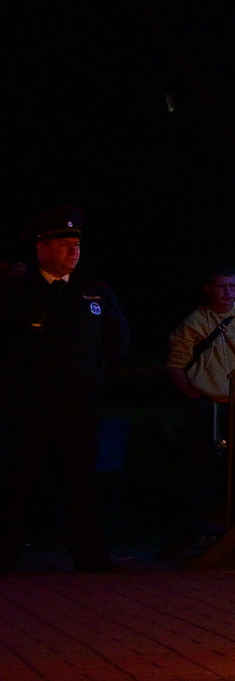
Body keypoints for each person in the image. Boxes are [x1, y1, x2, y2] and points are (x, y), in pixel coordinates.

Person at [0, 208, 132, 572]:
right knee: (18, 482)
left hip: (79, 406)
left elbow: (119, 339)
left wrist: (96, 375)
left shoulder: (95, 293)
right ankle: (6, 554)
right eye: (63, 245)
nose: (73, 252)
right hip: (29, 408)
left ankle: (89, 555)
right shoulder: (16, 295)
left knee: (80, 483)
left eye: (76, 245)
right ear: (41, 248)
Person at [167, 264, 235, 539]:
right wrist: (190, 393)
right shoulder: (195, 321)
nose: (227, 292)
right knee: (202, 466)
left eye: (232, 286)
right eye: (221, 286)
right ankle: (201, 527)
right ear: (208, 289)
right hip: (205, 402)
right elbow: (175, 361)